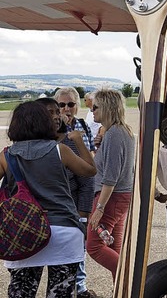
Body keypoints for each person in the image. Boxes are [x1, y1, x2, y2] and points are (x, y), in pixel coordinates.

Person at [1, 101, 96, 297]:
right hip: (64, 230)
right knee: (61, 292)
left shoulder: (6, 156)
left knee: (21, 290)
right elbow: (90, 170)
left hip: (24, 232)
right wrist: (79, 140)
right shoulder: (60, 150)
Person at [35, 97, 97, 298]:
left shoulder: (69, 143)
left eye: (58, 110)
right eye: (52, 111)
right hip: (34, 223)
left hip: (66, 221)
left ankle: (81, 287)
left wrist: (83, 218)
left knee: (63, 284)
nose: (58, 114)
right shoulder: (24, 147)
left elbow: (87, 181)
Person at [86, 88, 135, 280]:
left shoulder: (115, 134)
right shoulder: (120, 132)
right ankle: (123, 289)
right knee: (115, 247)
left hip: (111, 198)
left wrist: (99, 208)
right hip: (120, 197)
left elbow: (111, 176)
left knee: (95, 247)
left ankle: (131, 278)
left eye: (95, 107)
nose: (92, 111)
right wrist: (101, 146)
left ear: (107, 107)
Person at [55, 87, 96, 154]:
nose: (66, 109)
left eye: (70, 105)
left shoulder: (83, 124)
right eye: (62, 105)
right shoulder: (53, 128)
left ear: (77, 106)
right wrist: (61, 126)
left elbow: (92, 151)